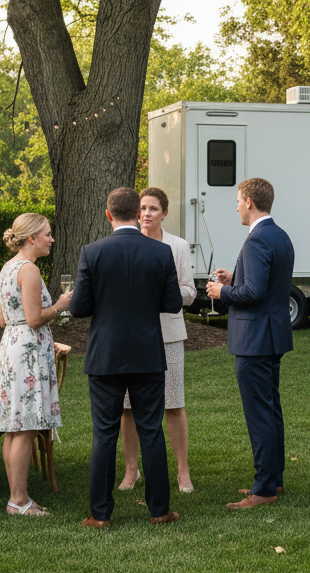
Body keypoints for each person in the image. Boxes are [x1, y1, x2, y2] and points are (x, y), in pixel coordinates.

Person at [70, 187, 183, 529]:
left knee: (104, 434)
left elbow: (79, 308)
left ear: (108, 214)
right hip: (147, 353)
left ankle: (100, 514)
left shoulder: (92, 252)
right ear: (137, 213)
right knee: (151, 431)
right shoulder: (160, 252)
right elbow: (172, 303)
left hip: (106, 355)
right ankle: (159, 510)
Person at [206, 178, 295, 510]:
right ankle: (274, 478)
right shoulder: (279, 235)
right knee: (271, 409)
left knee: (260, 415)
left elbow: (254, 293)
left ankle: (264, 489)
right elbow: (266, 284)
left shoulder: (257, 239)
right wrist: (236, 278)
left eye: (238, 202)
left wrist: (223, 292)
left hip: (254, 339)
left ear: (249, 202)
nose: (237, 208)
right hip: (272, 335)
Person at [118, 187, 198, 493]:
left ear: (164, 213)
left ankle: (183, 471)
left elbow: (189, 292)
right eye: (142, 208)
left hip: (168, 336)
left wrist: (162, 293)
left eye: (153, 208)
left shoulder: (178, 246)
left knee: (173, 404)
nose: (146, 214)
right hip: (132, 336)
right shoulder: (127, 242)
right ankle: (131, 470)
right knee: (128, 406)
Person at [0, 213, 71, 517]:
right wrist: (60, 306)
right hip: (27, 352)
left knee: (14, 427)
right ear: (31, 238)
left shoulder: (7, 268)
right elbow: (35, 318)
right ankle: (18, 500)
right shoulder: (29, 270)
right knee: (25, 427)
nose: (51, 239)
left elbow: (3, 319)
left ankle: (19, 498)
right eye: (47, 234)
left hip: (10, 346)